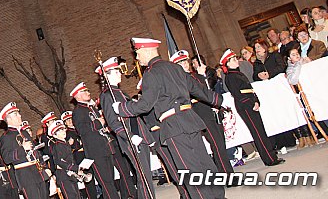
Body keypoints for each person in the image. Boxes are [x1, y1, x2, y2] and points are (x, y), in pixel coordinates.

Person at [113, 37, 225, 199]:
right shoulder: (175, 67)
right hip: (190, 119)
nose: (136, 58)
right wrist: (219, 100)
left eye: (137, 53)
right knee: (204, 162)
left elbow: (145, 105)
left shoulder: (151, 74)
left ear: (146, 50)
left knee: (188, 169)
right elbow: (197, 89)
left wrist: (122, 108)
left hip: (173, 126)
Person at [171, 51, 234, 182]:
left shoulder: (193, 76)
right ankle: (228, 177)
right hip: (200, 113)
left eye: (185, 61)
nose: (185, 64)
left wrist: (204, 77)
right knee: (217, 145)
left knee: (220, 143)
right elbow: (194, 93)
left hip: (210, 110)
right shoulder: (179, 80)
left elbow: (208, 90)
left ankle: (224, 173)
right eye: (180, 62)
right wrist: (201, 76)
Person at [98, 57, 155, 199]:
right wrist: (130, 136)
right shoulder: (107, 95)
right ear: (107, 75)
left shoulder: (121, 93)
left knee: (145, 176)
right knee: (143, 176)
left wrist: (146, 136)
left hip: (139, 136)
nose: (120, 74)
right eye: (116, 72)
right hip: (130, 139)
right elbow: (112, 122)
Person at [71, 82, 136, 199]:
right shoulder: (78, 111)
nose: (88, 93)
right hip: (95, 151)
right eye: (84, 91)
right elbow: (82, 130)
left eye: (87, 90)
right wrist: (98, 123)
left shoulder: (91, 108)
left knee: (111, 179)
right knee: (106, 183)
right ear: (77, 96)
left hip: (106, 147)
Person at [220, 49, 285, 167]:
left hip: (250, 103)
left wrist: (256, 100)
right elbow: (238, 94)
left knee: (260, 130)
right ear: (227, 64)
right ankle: (269, 158)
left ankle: (271, 155)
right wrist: (251, 103)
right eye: (233, 59)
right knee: (258, 132)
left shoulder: (237, 73)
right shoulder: (230, 76)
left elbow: (249, 89)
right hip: (245, 106)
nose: (236, 61)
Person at [0, 102, 49, 199]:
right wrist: (22, 149)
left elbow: (36, 152)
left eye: (18, 113)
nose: (20, 115)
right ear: (9, 119)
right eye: (16, 114)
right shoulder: (6, 137)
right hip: (25, 175)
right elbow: (7, 158)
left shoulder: (24, 133)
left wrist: (45, 167)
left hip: (38, 171)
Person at [61, 111, 98, 199]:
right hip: (79, 156)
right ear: (65, 123)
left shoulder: (78, 129)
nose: (69, 121)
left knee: (94, 177)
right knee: (88, 181)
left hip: (87, 154)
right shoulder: (67, 134)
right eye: (67, 120)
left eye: (70, 119)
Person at [285, 45, 316, 148]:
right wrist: (298, 65)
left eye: (297, 54)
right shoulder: (290, 68)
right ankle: (309, 135)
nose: (297, 56)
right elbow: (292, 80)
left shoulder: (306, 60)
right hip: (304, 93)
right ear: (289, 58)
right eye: (293, 55)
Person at [48, 119, 81, 199]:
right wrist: (75, 168)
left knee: (77, 196)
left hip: (70, 174)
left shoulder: (65, 144)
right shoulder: (57, 145)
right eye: (59, 131)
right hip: (64, 176)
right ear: (55, 135)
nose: (63, 131)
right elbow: (60, 162)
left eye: (63, 129)